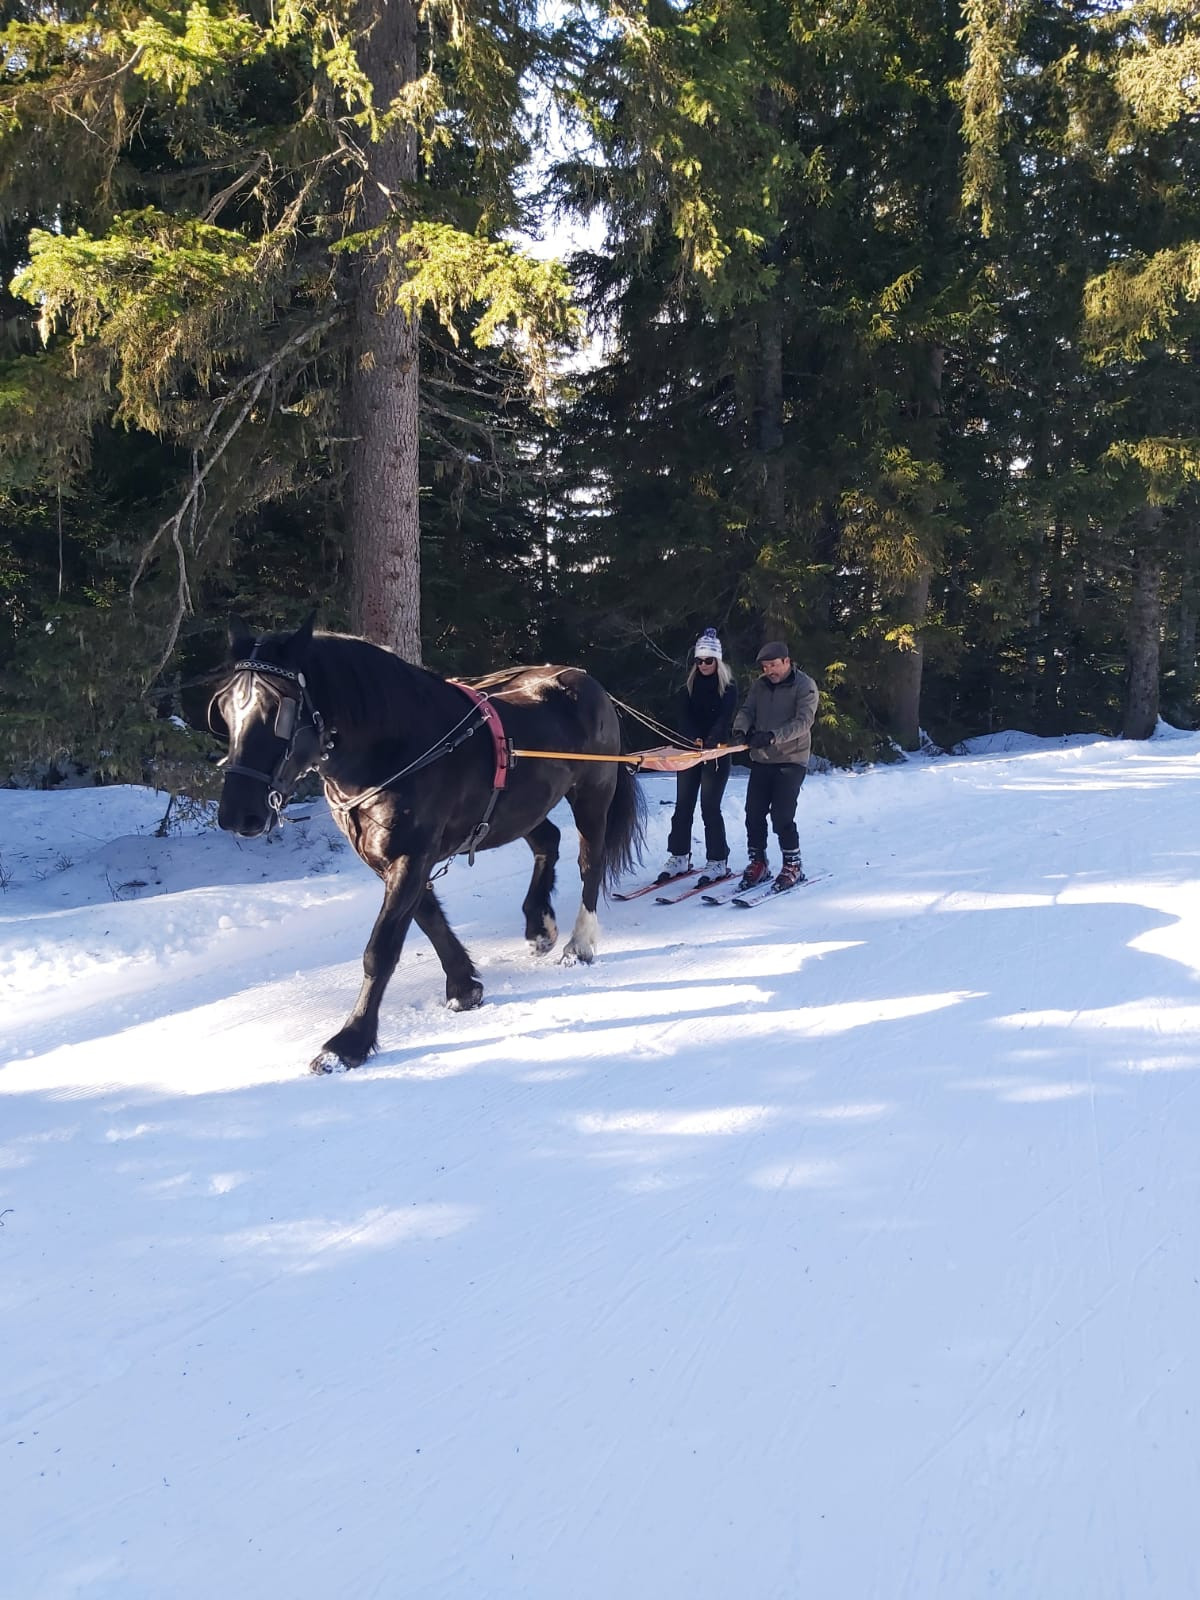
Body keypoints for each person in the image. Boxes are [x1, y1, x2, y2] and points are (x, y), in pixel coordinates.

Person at [731, 640, 820, 893]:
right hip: (762, 759)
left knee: (782, 815)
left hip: (791, 759)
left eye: (774, 665)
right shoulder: (760, 686)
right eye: (765, 666)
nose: (770, 670)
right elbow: (748, 710)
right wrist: (740, 729)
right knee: (753, 813)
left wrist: (772, 736)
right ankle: (758, 862)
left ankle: (793, 863)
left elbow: (803, 722)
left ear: (787, 662)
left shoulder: (804, 686)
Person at [658, 628, 738, 885]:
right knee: (682, 807)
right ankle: (679, 855)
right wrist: (691, 738)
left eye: (708, 660)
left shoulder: (728, 687)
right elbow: (683, 716)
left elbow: (725, 717)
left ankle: (718, 860)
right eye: (699, 660)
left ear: (718, 661)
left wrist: (712, 740)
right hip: (689, 752)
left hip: (716, 754)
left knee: (710, 807)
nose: (703, 665)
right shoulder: (689, 685)